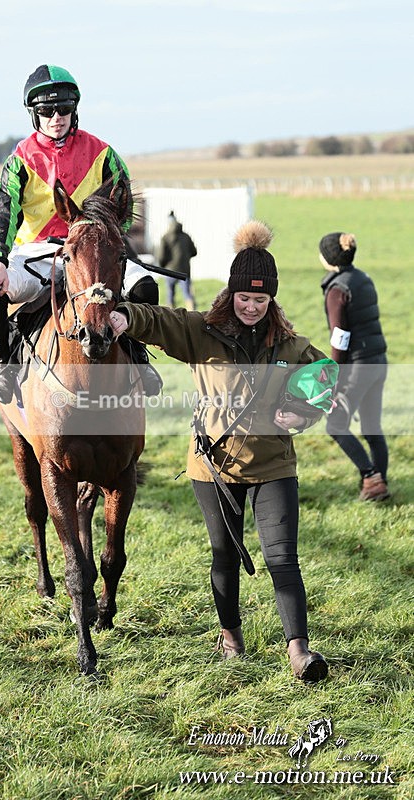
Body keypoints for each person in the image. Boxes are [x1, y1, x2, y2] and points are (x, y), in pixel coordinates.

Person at [109, 220, 329, 682]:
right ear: (230, 295)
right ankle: (230, 635)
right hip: (215, 466)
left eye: (260, 300)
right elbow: (161, 321)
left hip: (274, 465)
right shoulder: (201, 332)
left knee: (282, 558)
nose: (251, 308)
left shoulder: (289, 345)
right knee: (224, 556)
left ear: (272, 301)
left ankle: (299, 652)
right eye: (244, 298)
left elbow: (326, 382)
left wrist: (302, 414)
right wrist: (124, 317)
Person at [0, 64, 159, 403]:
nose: (56, 117)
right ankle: (3, 364)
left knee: (146, 286)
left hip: (92, 248)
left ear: (74, 110)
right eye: (47, 110)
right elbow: (5, 216)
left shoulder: (103, 153)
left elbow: (124, 206)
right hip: (38, 254)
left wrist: (102, 240)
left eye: (63, 108)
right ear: (35, 114)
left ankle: (137, 354)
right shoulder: (19, 160)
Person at [319, 232, 390, 501]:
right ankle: (381, 483)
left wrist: (333, 382)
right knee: (373, 428)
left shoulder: (337, 290)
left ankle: (371, 478)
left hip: (358, 367)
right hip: (379, 362)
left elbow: (340, 339)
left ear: (327, 258)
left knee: (335, 425)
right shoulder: (364, 278)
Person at [158, 211, 197, 309]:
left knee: (170, 294)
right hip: (184, 270)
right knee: (187, 294)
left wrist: (162, 265)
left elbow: (161, 256)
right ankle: (192, 314)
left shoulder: (165, 237)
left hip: (169, 270)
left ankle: (171, 317)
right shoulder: (186, 236)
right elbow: (194, 252)